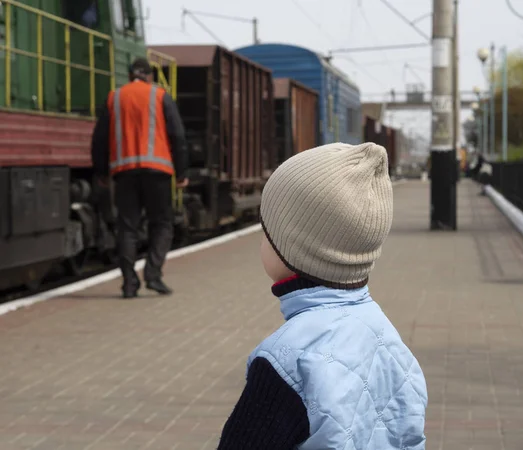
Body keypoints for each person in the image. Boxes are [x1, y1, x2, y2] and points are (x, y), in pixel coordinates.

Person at [217, 142, 428, 449]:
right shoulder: (389, 340)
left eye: (267, 231)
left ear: (296, 249)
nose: (261, 241)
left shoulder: (286, 361)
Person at [91, 58, 189, 299]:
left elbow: (99, 138)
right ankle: (153, 275)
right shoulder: (160, 95)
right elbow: (177, 135)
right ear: (149, 76)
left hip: (124, 173)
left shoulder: (114, 98)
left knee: (127, 227)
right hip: (158, 171)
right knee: (163, 224)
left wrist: (101, 172)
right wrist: (182, 172)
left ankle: (128, 284)